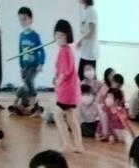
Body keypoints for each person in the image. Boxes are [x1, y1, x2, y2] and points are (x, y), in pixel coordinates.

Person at [53, 19, 82, 154]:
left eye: (62, 35)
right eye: (57, 35)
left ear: (67, 36)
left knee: (58, 115)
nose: (59, 38)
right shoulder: (66, 50)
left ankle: (66, 144)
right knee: (70, 118)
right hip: (71, 90)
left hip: (67, 91)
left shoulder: (64, 51)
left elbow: (65, 72)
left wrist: (57, 83)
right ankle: (78, 145)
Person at [9, 7, 43, 117]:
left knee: (28, 81)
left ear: (31, 20)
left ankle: (35, 103)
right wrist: (21, 66)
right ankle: (22, 104)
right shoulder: (21, 35)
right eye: (20, 19)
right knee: (25, 84)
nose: (22, 22)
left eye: (25, 19)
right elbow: (20, 52)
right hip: (25, 66)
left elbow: (41, 51)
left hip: (34, 66)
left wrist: (40, 63)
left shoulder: (35, 36)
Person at [103, 78, 131, 144]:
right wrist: (111, 134)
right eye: (107, 97)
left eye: (109, 97)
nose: (107, 99)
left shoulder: (120, 110)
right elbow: (108, 124)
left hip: (121, 133)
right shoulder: (108, 110)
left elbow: (125, 124)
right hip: (113, 132)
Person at [77, 0, 98, 80]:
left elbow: (92, 33)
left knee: (88, 80)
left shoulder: (91, 11)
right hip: (85, 52)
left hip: (90, 53)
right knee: (82, 78)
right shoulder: (86, 11)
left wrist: (80, 41)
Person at [79, 65, 102, 136]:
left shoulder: (98, 84)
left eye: (90, 70)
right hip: (85, 116)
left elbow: (99, 96)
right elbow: (82, 100)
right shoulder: (81, 84)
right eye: (87, 70)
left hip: (95, 116)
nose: (89, 72)